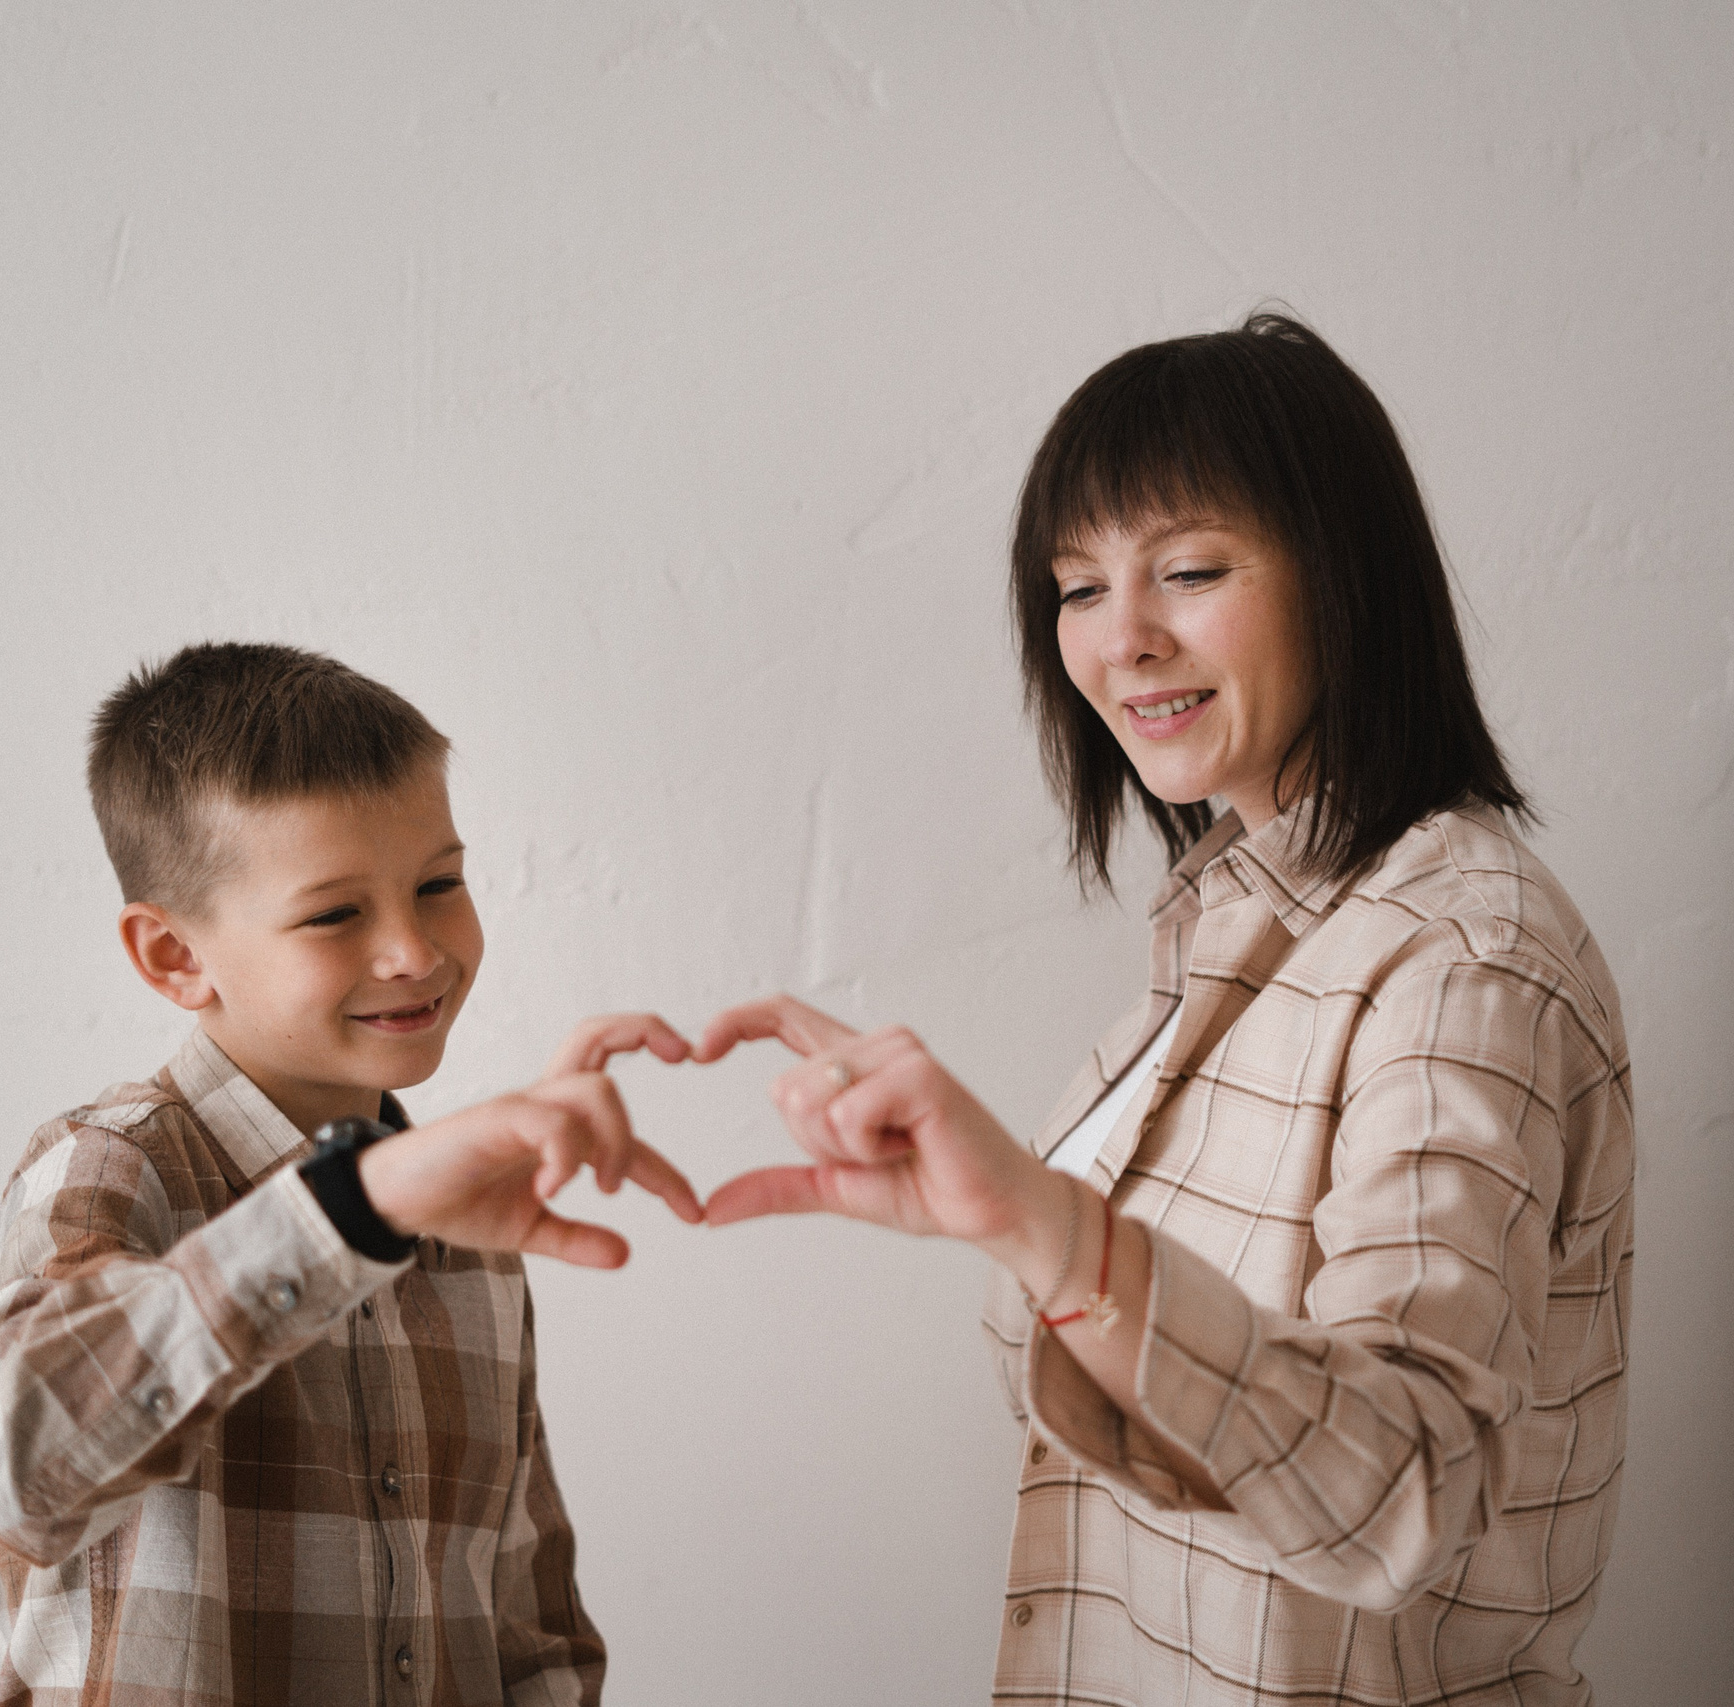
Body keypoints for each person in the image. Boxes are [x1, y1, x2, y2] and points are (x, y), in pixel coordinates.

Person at [698, 315, 1636, 1705]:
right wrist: (990, 1212)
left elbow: (1398, 1483)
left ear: (1347, 580)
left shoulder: (1457, 957)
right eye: (1076, 587)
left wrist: (1035, 1216)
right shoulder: (1228, 927)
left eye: (1188, 570)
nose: (1120, 638)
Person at [0, 641, 700, 1705]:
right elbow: (9, 1464)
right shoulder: (113, 1163)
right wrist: (347, 1213)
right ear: (172, 957)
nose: (412, 951)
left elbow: (528, 1623)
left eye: (439, 883)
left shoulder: (470, 1226)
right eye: (335, 913)